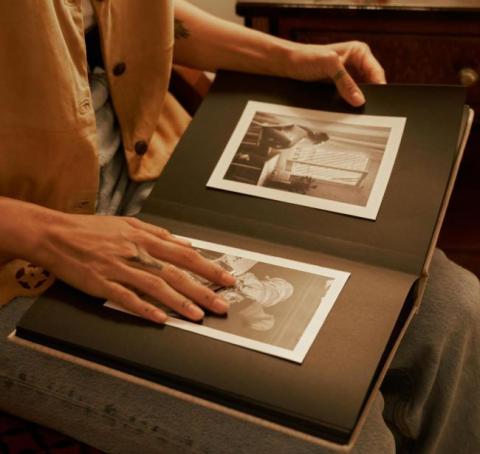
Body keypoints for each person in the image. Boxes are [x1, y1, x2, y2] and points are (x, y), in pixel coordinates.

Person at [0, 1, 478, 453]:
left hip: (147, 188)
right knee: (349, 441)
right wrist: (50, 234)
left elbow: (127, 15)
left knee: (455, 308)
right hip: (21, 258)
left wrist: (289, 56)